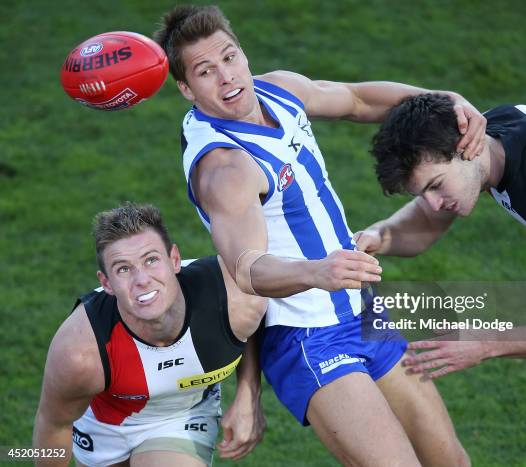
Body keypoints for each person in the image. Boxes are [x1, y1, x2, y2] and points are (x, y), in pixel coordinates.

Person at [154, 5, 487, 466]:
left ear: (244, 55)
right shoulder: (224, 168)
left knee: (451, 461)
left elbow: (356, 99)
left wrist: (445, 99)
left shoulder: (280, 91)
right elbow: (246, 269)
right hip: (306, 337)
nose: (226, 77)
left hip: (361, 306)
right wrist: (318, 271)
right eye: (206, 71)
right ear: (186, 89)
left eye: (229, 58)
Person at [356, 93, 526, 466]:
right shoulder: (491, 134)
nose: (433, 204)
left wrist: (484, 344)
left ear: (466, 148)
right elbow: (423, 225)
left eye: (435, 186)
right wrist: (377, 236)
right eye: (423, 193)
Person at [32, 203, 267, 467]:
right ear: (106, 283)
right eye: (123, 269)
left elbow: (249, 328)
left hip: (180, 419)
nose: (141, 279)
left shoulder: (237, 299)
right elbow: (54, 425)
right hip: (105, 426)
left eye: (151, 260)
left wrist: (249, 395)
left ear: (175, 259)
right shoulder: (81, 352)